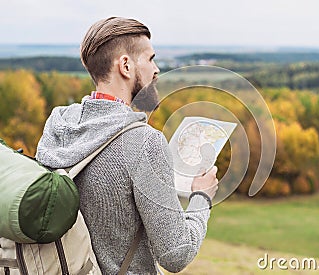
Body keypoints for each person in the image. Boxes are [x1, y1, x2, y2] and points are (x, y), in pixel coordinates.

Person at [36, 17, 219, 274]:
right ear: (125, 65)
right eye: (150, 59)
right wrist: (202, 196)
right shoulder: (144, 142)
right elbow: (176, 254)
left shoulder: (59, 124)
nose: (156, 70)